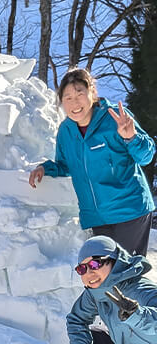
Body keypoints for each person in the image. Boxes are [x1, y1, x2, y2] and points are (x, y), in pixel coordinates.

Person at [29, 68, 155, 257]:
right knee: (103, 272)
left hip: (129, 210)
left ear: (93, 92)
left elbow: (146, 156)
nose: (74, 103)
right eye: (68, 97)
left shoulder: (115, 119)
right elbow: (66, 165)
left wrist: (131, 138)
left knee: (125, 271)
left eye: (80, 94)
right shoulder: (66, 131)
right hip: (96, 218)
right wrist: (45, 168)